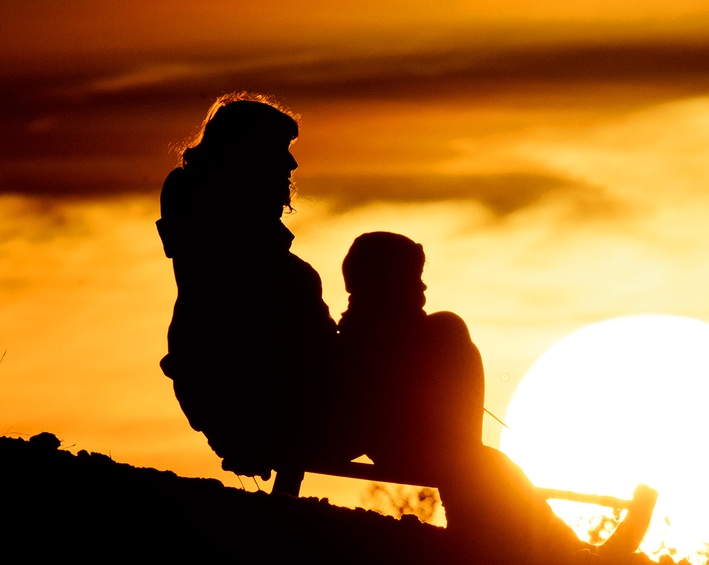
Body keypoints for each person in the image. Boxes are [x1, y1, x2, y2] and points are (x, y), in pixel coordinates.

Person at [336, 232, 596, 562]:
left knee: (492, 464)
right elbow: (362, 417)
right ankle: (568, 551)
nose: (424, 288)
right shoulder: (360, 343)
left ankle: (566, 547)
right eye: (414, 279)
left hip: (436, 448)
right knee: (485, 464)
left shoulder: (369, 335)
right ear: (388, 284)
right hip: (412, 447)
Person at [157, 93, 346, 479]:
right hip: (261, 408)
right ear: (247, 155)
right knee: (445, 334)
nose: (292, 164)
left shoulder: (237, 245)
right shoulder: (234, 253)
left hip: (247, 403)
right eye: (280, 151)